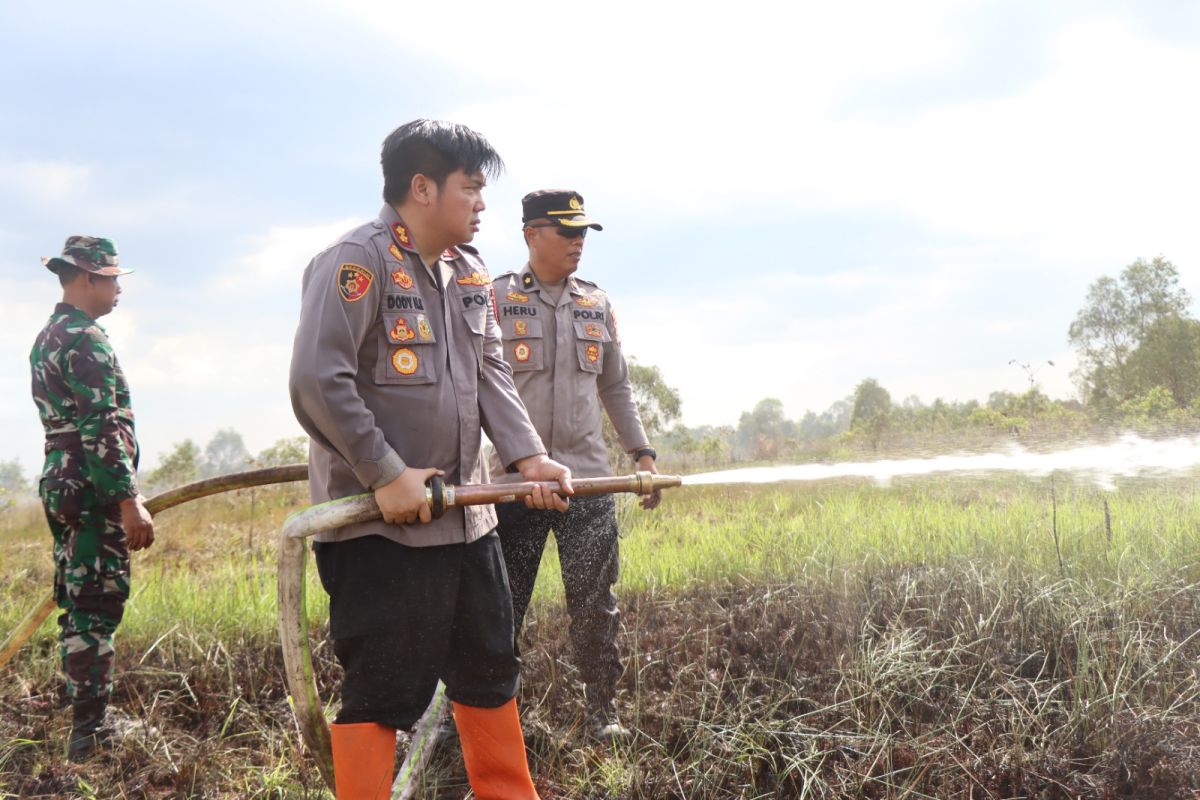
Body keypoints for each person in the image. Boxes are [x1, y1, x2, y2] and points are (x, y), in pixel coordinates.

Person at [289, 119, 572, 800]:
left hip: (467, 523)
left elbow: (492, 374)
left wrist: (528, 457)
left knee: (488, 671)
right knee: (384, 689)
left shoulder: (470, 274)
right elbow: (318, 380)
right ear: (422, 188)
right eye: (470, 188)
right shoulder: (357, 263)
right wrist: (385, 473)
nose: (481, 204)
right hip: (381, 531)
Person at [491, 191, 661, 741]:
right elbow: (476, 390)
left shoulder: (597, 303)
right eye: (566, 232)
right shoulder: (494, 300)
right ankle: (492, 723)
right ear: (530, 235)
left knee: (595, 606)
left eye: (583, 232)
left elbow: (616, 386)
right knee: (500, 610)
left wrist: (642, 455)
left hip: (588, 481)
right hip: (513, 486)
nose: (577, 242)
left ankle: (601, 713)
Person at [30, 236, 156, 762]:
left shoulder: (47, 337)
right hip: (91, 487)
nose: (116, 287)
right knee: (96, 604)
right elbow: (101, 424)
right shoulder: (87, 340)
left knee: (78, 600)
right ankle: (91, 731)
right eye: (110, 278)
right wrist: (127, 500)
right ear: (86, 278)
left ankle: (85, 713)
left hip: (62, 481)